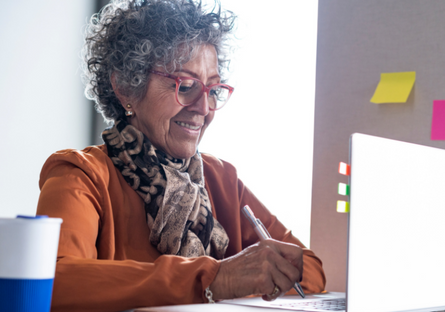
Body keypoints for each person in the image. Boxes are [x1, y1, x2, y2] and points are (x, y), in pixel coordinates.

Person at [36, 0, 326, 311]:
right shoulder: (81, 175)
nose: (203, 109)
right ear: (125, 87)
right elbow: (51, 282)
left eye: (212, 91)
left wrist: (261, 273)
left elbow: (308, 270)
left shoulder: (222, 179)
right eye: (186, 86)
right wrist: (216, 279)